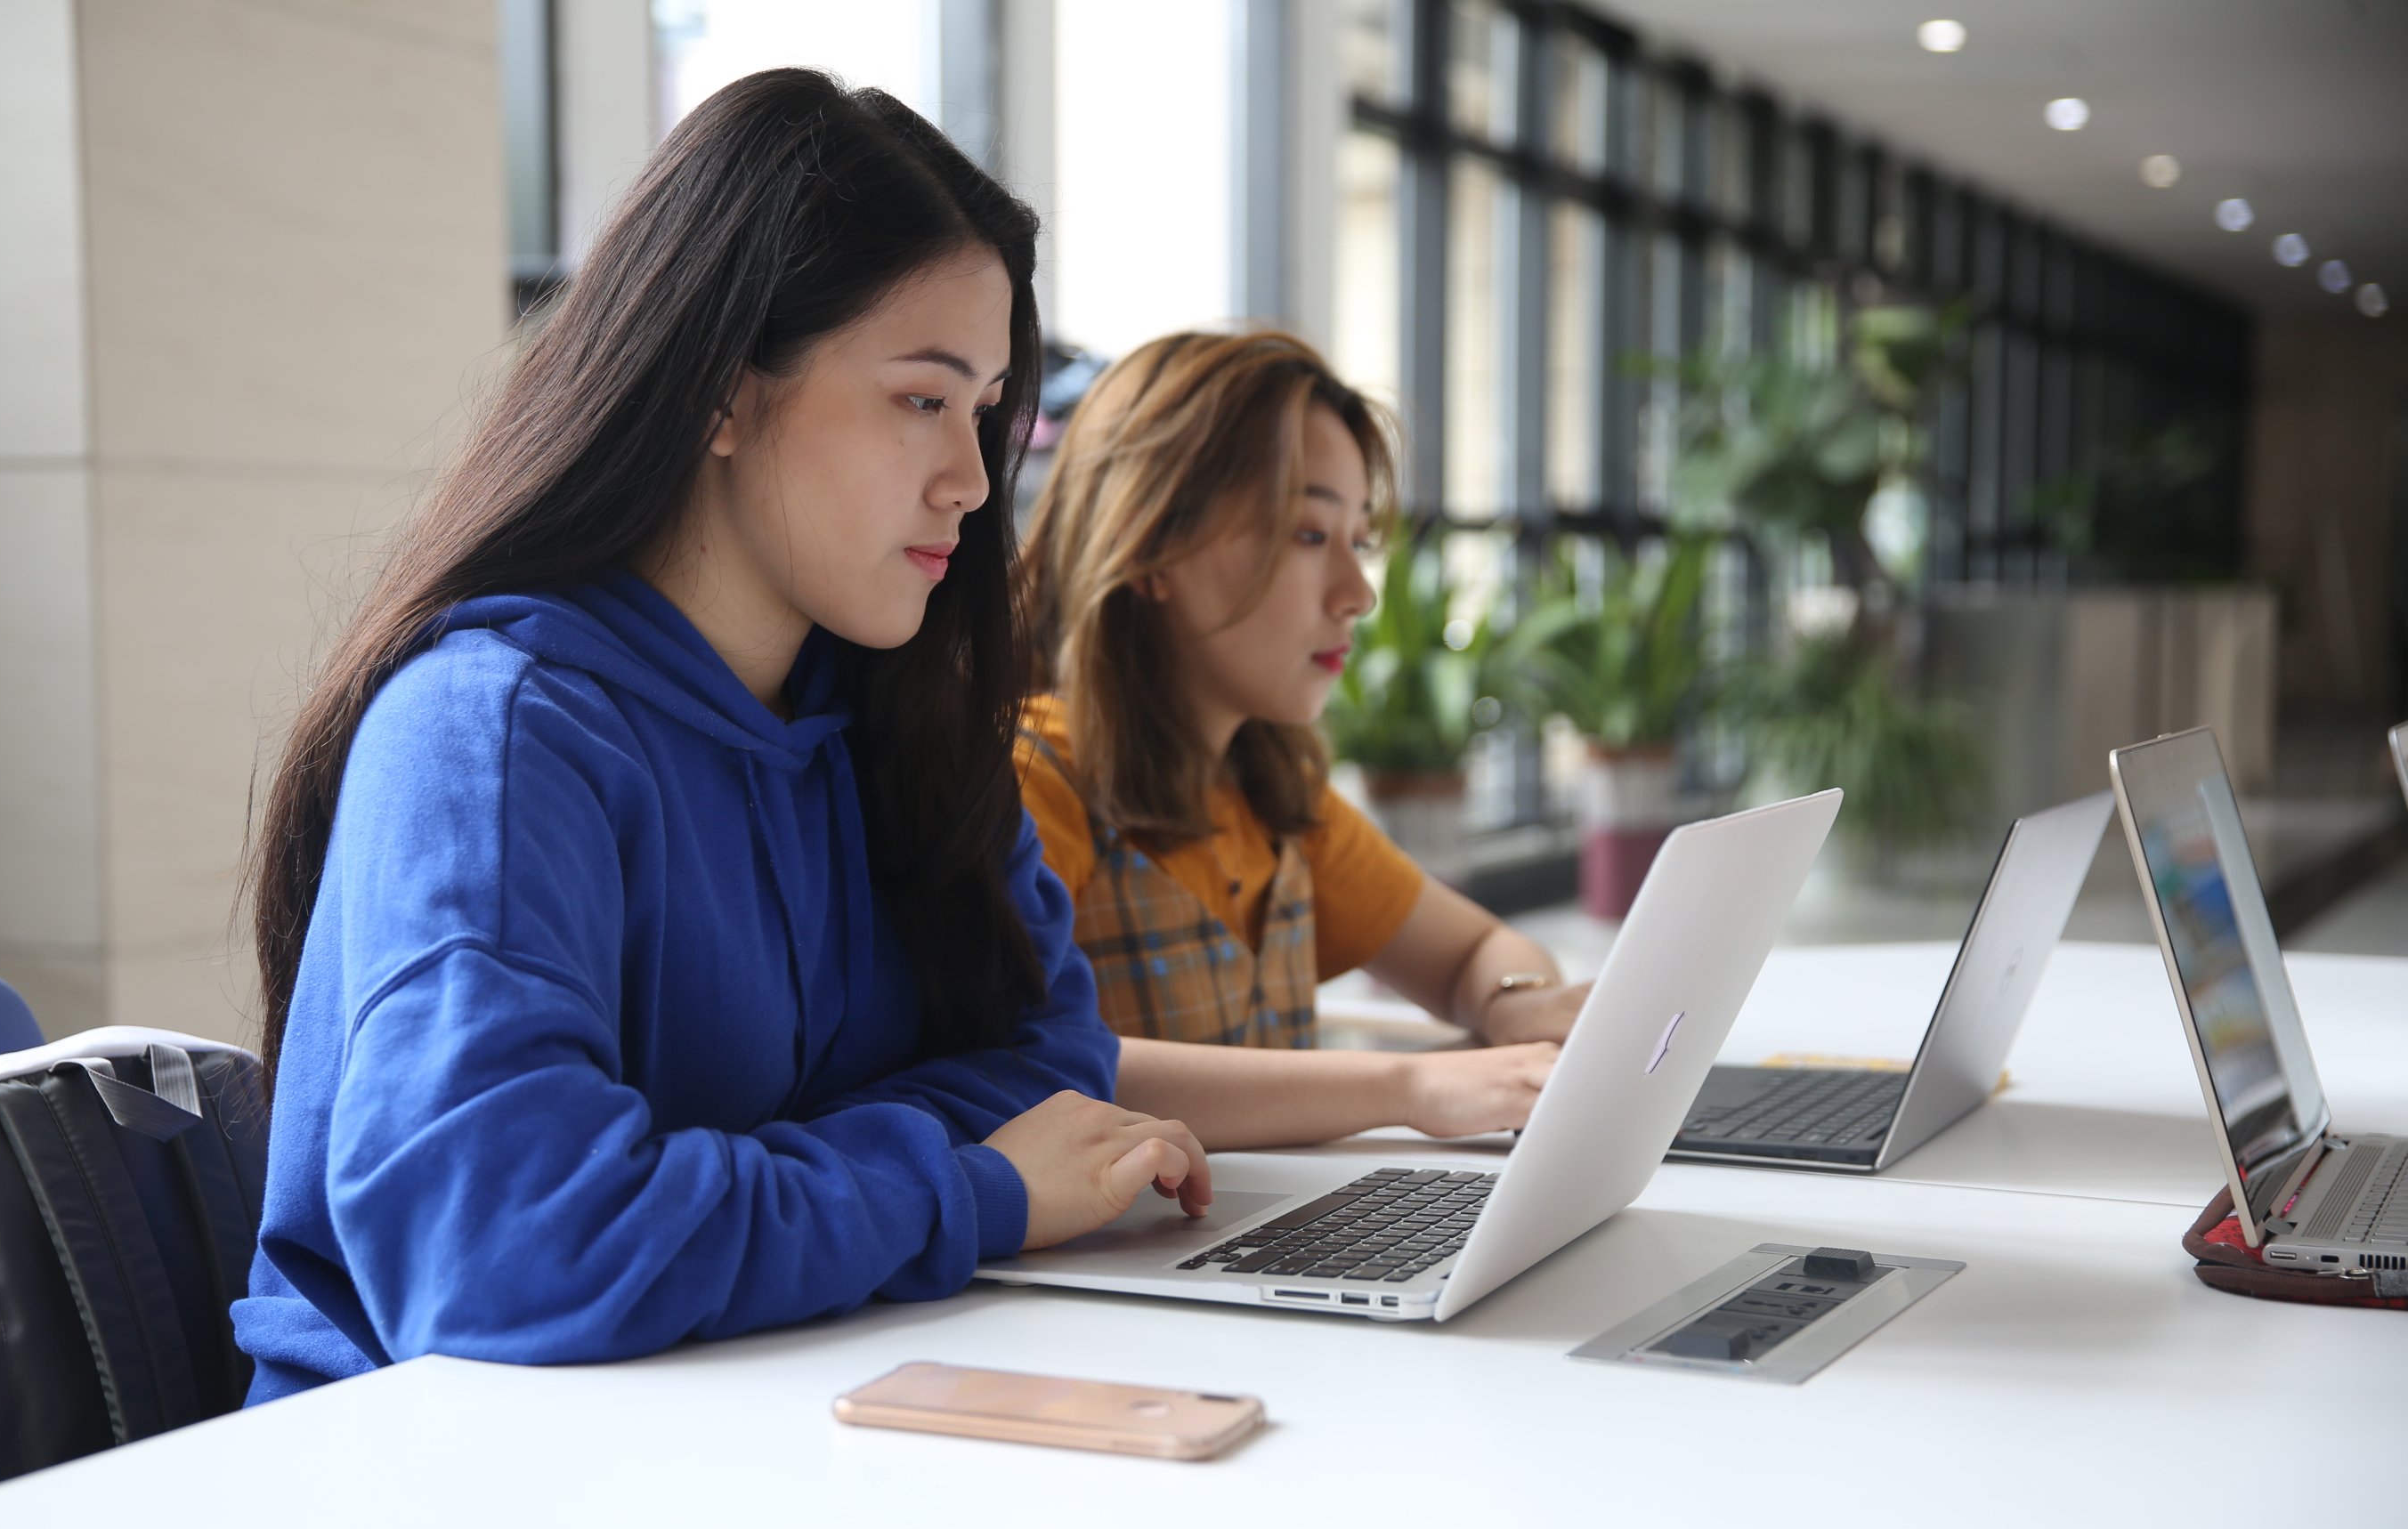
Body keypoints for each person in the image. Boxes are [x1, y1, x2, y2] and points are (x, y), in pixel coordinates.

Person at [232, 71, 1210, 1402]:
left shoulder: (896, 716)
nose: (975, 485)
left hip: (766, 1423)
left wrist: (735, 1192)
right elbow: (502, 1248)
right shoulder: (495, 735)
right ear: (724, 394)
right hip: (436, 1505)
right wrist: (959, 1188)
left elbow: (1057, 1063)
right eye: (922, 399)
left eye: (985, 412)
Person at [1018, 330, 1590, 1150]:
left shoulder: (1267, 790)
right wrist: (1409, 1082)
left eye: (1358, 541)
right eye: (1310, 536)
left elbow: (1475, 952)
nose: (1358, 593)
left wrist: (1515, 997)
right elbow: (1025, 1069)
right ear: (1151, 546)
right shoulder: (1031, 782)